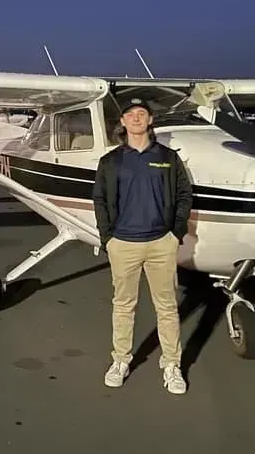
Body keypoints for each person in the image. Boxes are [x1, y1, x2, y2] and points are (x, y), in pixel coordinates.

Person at [92, 97, 193, 393]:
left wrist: (176, 232)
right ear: (122, 122)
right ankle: (120, 360)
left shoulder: (168, 157)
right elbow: (100, 200)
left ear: (150, 120)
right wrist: (107, 238)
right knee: (123, 306)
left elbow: (184, 195)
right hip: (123, 244)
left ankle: (172, 364)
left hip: (162, 243)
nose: (136, 118)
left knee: (167, 308)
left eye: (142, 113)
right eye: (130, 114)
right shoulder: (111, 161)